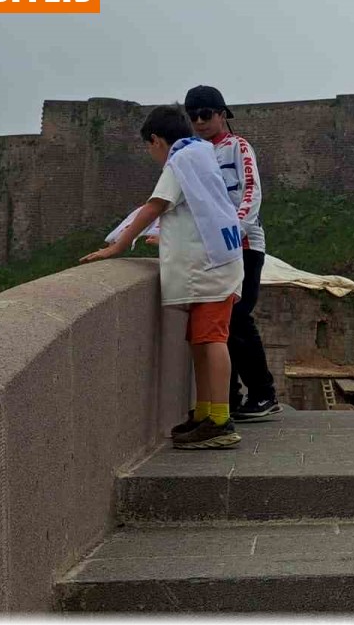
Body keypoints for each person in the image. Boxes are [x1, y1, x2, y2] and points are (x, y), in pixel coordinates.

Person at [82, 105, 244, 449]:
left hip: (210, 267)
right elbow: (196, 208)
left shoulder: (180, 161)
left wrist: (118, 246)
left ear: (156, 140)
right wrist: (167, 237)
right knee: (201, 341)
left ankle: (220, 420)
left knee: (212, 340)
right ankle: (205, 412)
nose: (151, 153)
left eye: (149, 146)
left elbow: (154, 205)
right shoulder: (201, 152)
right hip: (218, 260)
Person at [182, 85, 280, 424]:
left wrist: (234, 231)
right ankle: (229, 397)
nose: (199, 121)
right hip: (209, 249)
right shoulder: (192, 153)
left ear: (222, 114)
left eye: (205, 114)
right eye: (192, 116)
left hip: (245, 245)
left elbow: (251, 190)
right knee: (221, 323)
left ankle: (263, 393)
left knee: (238, 318)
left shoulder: (237, 147)